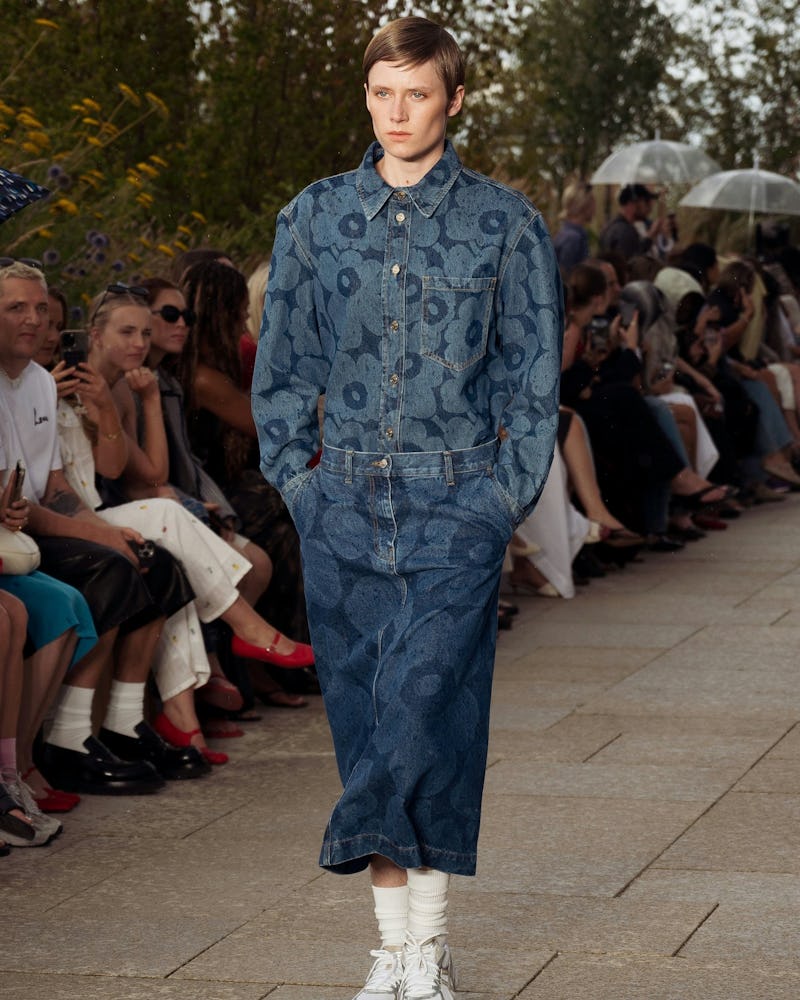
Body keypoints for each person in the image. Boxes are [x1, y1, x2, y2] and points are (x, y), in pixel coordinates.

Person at [252, 16, 562, 1000]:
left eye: (417, 93)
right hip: (339, 502)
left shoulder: (502, 223)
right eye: (382, 90)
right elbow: (281, 372)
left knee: (426, 714)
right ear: (367, 94)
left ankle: (414, 954)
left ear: (453, 100)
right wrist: (300, 487)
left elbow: (529, 376)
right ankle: (399, 952)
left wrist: (494, 502)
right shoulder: (309, 218)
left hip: (452, 505)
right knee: (369, 726)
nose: (396, 112)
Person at [598, 184, 665, 261]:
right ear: (632, 204)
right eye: (645, 202)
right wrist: (650, 237)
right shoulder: (625, 231)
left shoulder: (610, 226)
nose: (649, 208)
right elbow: (632, 262)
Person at [552, 180, 595, 276]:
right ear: (583, 204)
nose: (595, 207)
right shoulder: (573, 238)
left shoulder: (566, 233)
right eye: (592, 201)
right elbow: (567, 275)